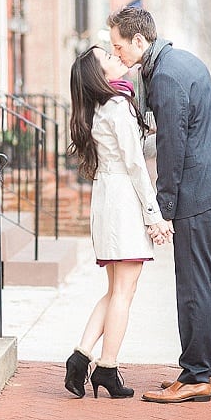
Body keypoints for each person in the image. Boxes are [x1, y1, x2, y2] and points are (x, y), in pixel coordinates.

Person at [107, 7, 211, 405]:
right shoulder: (178, 60)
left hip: (199, 192)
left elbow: (172, 147)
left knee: (193, 285)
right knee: (207, 280)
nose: (118, 56)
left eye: (120, 47)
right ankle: (203, 369)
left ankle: (198, 375)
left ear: (139, 41)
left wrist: (163, 208)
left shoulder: (166, 76)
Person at [64, 45, 171, 400]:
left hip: (108, 200)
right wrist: (154, 216)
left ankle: (80, 360)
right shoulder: (116, 107)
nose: (115, 56)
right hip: (123, 201)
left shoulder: (100, 108)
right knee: (124, 292)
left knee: (114, 291)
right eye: (107, 58)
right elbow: (137, 166)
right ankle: (107, 368)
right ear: (100, 75)